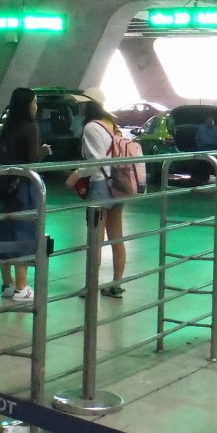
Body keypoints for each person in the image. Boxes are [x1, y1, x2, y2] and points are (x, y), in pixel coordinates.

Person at [66, 87, 127, 298]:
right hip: (118, 185)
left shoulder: (92, 127)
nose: (79, 106)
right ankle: (116, 284)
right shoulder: (112, 125)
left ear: (88, 105)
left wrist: (76, 174)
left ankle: (90, 286)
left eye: (82, 103)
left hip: (101, 186)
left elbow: (95, 161)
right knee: (116, 236)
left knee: (95, 239)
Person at [0, 87, 51, 303]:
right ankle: (21, 287)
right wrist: (44, 152)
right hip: (24, 188)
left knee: (6, 232)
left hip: (5, 187)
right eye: (34, 102)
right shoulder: (30, 127)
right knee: (24, 233)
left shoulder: (6, 127)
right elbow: (32, 161)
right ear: (27, 105)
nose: (36, 106)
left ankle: (7, 284)